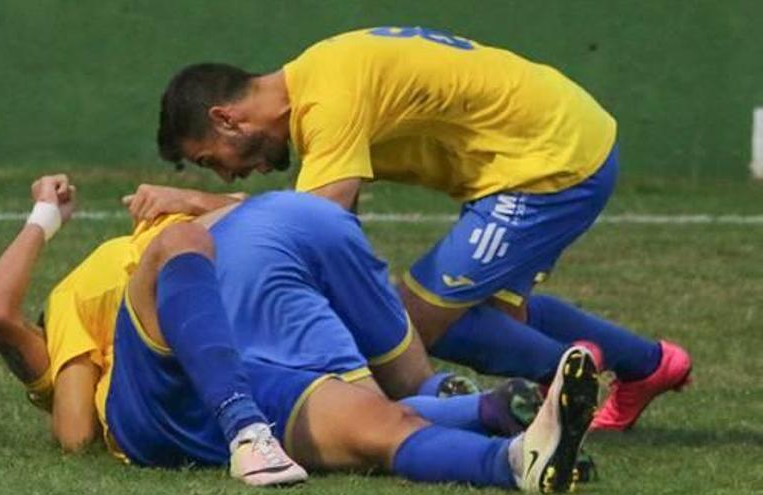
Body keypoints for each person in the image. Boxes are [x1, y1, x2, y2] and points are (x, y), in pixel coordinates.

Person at [154, 26, 692, 431]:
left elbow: (312, 226)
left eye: (213, 160)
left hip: (546, 164)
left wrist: (203, 203)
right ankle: (649, 365)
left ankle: (566, 370)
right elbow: (330, 234)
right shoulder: (320, 81)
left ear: (228, 118)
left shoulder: (327, 99)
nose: (228, 171)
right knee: (483, 314)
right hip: (544, 146)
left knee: (408, 324)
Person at [0, 174, 600, 492]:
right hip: (162, 405)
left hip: (230, 366)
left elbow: (251, 203)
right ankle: (248, 431)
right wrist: (45, 217)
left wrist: (190, 194)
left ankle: (510, 452)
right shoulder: (70, 308)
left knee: (378, 427)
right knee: (180, 243)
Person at [0, 174, 307, 486]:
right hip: (230, 266)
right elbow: (264, 210)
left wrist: (44, 216)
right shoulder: (97, 320)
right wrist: (45, 215)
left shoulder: (70, 304)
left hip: (204, 271)